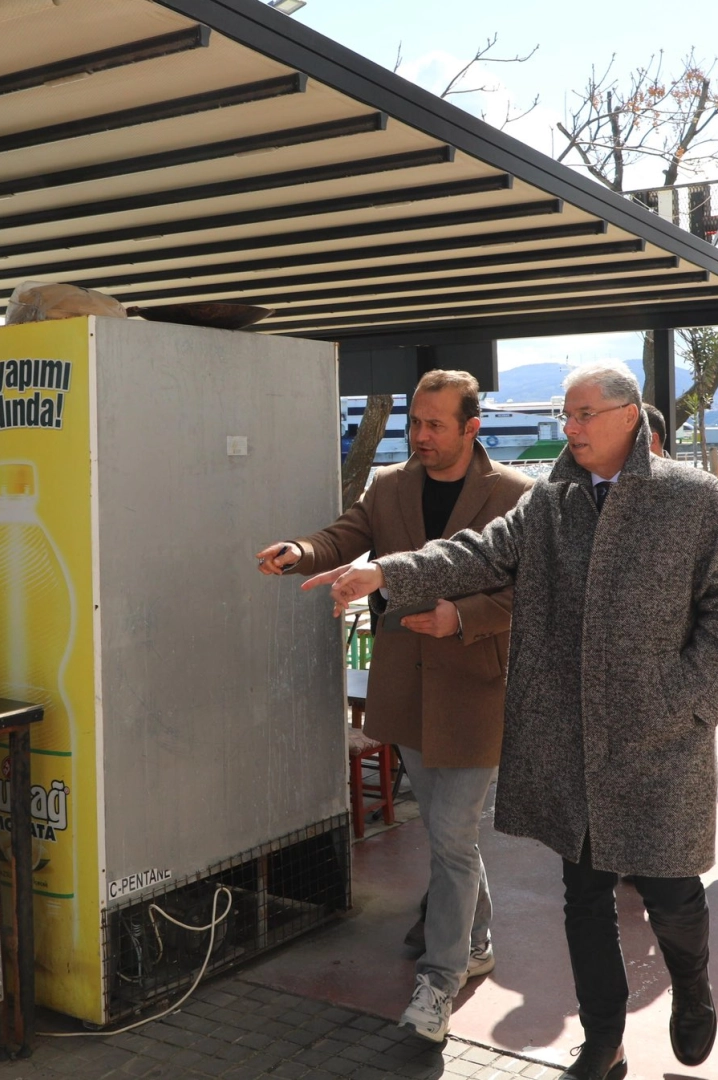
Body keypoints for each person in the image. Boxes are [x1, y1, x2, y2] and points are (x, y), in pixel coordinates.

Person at [305, 360, 718, 1080]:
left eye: (583, 415)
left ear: (629, 417)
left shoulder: (693, 498)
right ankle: (603, 1041)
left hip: (661, 740)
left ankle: (692, 982)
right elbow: (480, 552)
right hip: (571, 740)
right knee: (584, 897)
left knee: (672, 891)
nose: (568, 428)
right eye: (566, 414)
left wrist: (693, 704)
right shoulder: (554, 500)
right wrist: (385, 573)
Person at [256, 369, 532, 1042]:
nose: (420, 436)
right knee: (451, 834)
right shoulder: (391, 486)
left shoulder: (518, 495)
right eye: (415, 423)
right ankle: (477, 941)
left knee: (450, 833)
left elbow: (532, 592)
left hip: (476, 691)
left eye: (435, 425)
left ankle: (438, 982)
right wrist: (300, 553)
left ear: (473, 427)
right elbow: (344, 536)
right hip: (406, 685)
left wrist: (462, 618)